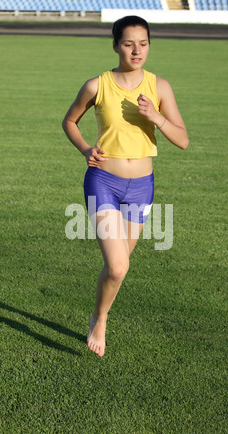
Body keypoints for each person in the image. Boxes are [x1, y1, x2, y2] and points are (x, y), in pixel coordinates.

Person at [62, 15, 188, 357]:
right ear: (116, 45)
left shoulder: (159, 87)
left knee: (118, 267)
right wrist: (87, 149)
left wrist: (157, 118)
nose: (137, 51)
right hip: (103, 180)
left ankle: (98, 311)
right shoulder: (97, 85)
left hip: (142, 187)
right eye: (129, 43)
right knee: (118, 266)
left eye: (143, 44)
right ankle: (100, 319)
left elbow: (183, 140)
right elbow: (69, 120)